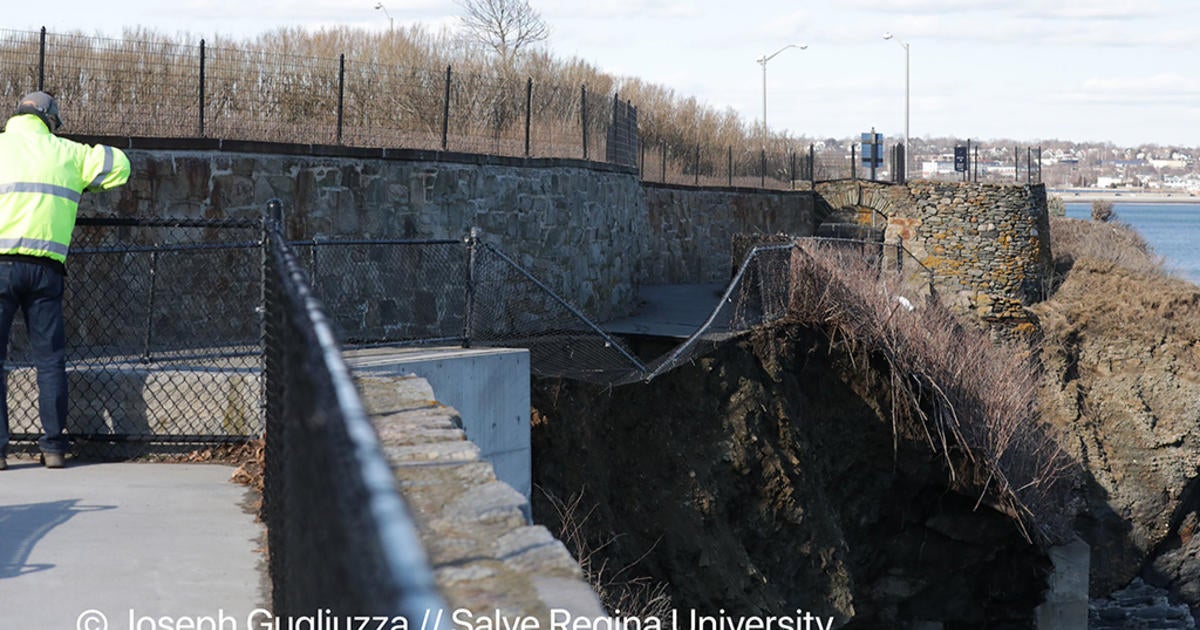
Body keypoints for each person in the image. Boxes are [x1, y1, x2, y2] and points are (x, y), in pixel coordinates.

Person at [0, 91, 130, 469]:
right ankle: (54, 447)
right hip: (46, 269)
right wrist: (81, 180)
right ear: (50, 120)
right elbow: (120, 165)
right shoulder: (69, 154)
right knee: (50, 361)